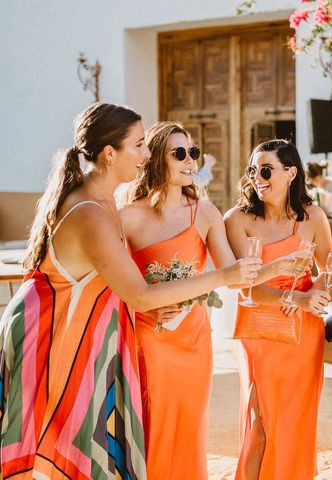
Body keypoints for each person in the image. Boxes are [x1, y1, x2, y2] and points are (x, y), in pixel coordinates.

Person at [0, 103, 258, 480]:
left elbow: (120, 287)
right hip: (49, 337)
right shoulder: (90, 211)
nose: (147, 154)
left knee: (74, 453)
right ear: (109, 153)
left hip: (73, 337)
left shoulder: (106, 202)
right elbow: (138, 293)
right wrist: (225, 275)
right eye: (139, 145)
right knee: (47, 453)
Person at [120, 122, 296, 480]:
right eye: (179, 153)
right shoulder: (128, 217)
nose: (189, 161)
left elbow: (233, 277)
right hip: (148, 338)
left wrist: (275, 267)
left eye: (193, 153)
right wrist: (145, 304)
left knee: (190, 428)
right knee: (153, 427)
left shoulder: (205, 213)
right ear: (155, 159)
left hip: (194, 339)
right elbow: (113, 285)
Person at [224, 139, 332, 480]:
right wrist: (295, 299)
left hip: (303, 334)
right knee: (259, 422)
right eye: (253, 170)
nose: (258, 177)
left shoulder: (313, 217)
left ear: (290, 173)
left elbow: (328, 270)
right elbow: (246, 282)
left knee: (295, 420)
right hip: (259, 330)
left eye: (267, 170)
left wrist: (316, 293)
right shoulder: (237, 220)